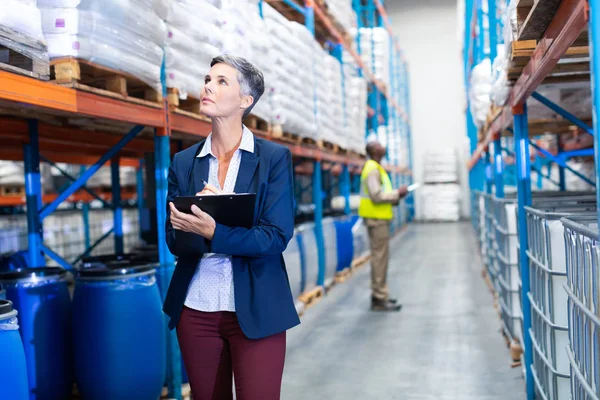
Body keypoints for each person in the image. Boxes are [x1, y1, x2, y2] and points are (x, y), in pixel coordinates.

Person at [162, 55, 300, 400]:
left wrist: (212, 230)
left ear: (245, 100)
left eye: (222, 81)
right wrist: (193, 229)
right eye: (208, 79)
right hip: (196, 309)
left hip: (256, 307)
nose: (208, 85)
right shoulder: (183, 162)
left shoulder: (273, 159)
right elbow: (173, 239)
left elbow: (275, 235)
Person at [358, 141, 408, 312]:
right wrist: (397, 194)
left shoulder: (376, 168)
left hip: (378, 218)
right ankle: (379, 297)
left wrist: (395, 197)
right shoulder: (372, 169)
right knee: (380, 258)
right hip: (376, 219)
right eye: (379, 145)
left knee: (380, 257)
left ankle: (380, 295)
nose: (383, 147)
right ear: (374, 151)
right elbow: (376, 196)